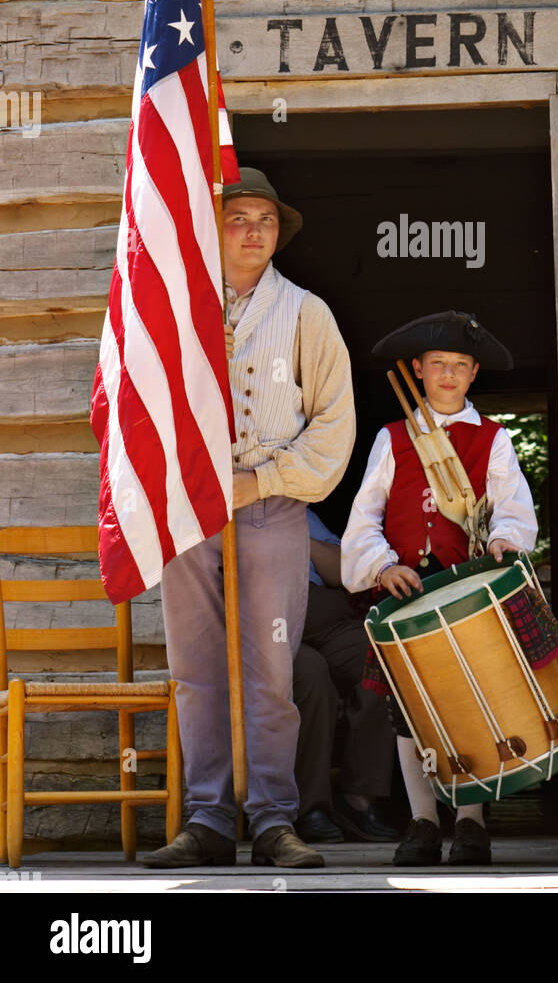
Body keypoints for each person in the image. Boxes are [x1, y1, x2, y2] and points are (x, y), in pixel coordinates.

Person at [144, 167, 355, 870]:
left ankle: (271, 818)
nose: (253, 229)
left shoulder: (305, 313)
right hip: (189, 510)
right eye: (239, 217)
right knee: (196, 669)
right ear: (216, 227)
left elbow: (333, 428)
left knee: (270, 666)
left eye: (265, 219)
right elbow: (143, 401)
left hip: (271, 509)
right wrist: (187, 480)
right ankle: (206, 817)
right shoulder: (176, 308)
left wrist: (261, 479)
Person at [341, 310, 538, 867]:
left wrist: (502, 541)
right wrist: (381, 567)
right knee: (410, 711)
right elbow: (364, 518)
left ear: (474, 373)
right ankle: (423, 821)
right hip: (406, 595)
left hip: (469, 592)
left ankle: (471, 824)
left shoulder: (493, 440)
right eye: (437, 365)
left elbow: (514, 510)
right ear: (420, 372)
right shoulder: (393, 437)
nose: (448, 375)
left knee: (471, 706)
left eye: (459, 365)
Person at [293, 508, 398, 844]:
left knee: (381, 658)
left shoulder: (299, 509)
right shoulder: (228, 513)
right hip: (275, 628)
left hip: (330, 620)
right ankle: (310, 808)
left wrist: (297, 539)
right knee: (312, 678)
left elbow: (342, 570)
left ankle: (359, 797)